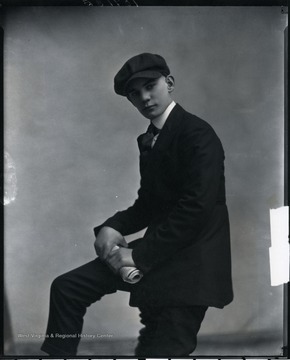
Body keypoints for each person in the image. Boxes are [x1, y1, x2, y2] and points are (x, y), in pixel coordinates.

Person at [41, 53, 233, 357]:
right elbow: (149, 204)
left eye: (150, 86)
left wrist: (138, 254)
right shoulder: (150, 138)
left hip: (190, 266)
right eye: (135, 93)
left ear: (168, 83)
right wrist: (113, 226)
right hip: (162, 257)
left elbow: (196, 209)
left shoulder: (197, 134)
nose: (144, 97)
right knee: (67, 288)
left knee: (161, 349)